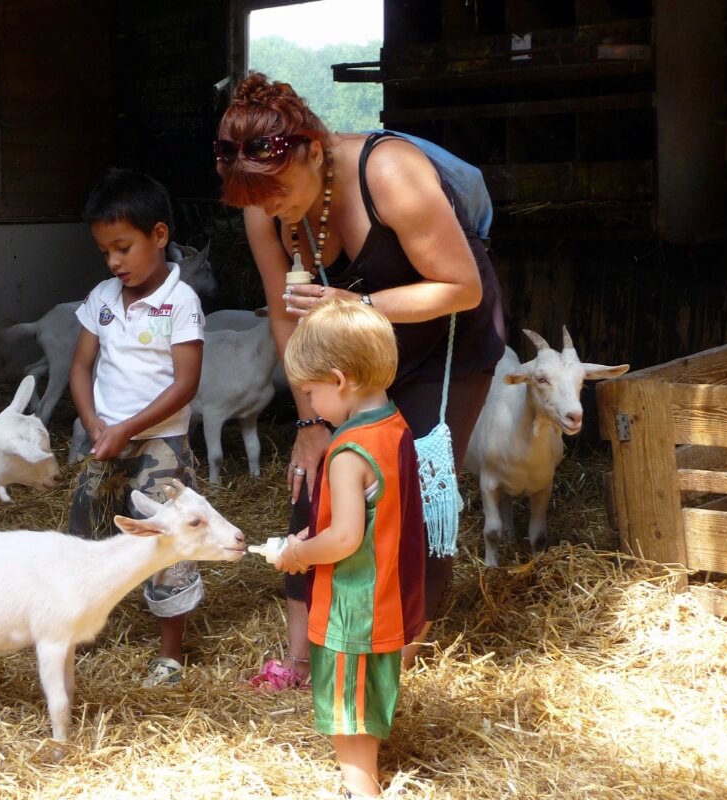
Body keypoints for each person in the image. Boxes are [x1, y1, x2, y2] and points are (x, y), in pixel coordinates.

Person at [216, 73, 505, 685]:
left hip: (443, 334)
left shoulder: (389, 172)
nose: (269, 209)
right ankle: (298, 661)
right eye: (255, 200)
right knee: (315, 474)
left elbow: (461, 287)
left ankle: (390, 661)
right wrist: (311, 421)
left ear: (314, 151)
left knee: (412, 482)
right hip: (352, 348)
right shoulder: (263, 209)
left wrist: (354, 310)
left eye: (278, 193)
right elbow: (283, 315)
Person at [274, 296, 426, 798]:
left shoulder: (346, 451)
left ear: (339, 381)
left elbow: (344, 538)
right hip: (388, 594)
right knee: (367, 694)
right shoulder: (394, 425)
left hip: (352, 603)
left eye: (312, 392)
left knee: (347, 707)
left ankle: (363, 789)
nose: (311, 405)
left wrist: (298, 553)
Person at [67, 167, 206, 687]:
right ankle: (77, 630)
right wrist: (92, 422)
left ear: (160, 236)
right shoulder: (102, 298)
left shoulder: (180, 302)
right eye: (105, 251)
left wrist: (128, 427)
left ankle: (170, 654)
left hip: (160, 444)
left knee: (169, 537)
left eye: (123, 248)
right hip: (106, 440)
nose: (113, 261)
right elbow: (82, 365)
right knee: (85, 531)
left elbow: (185, 384)